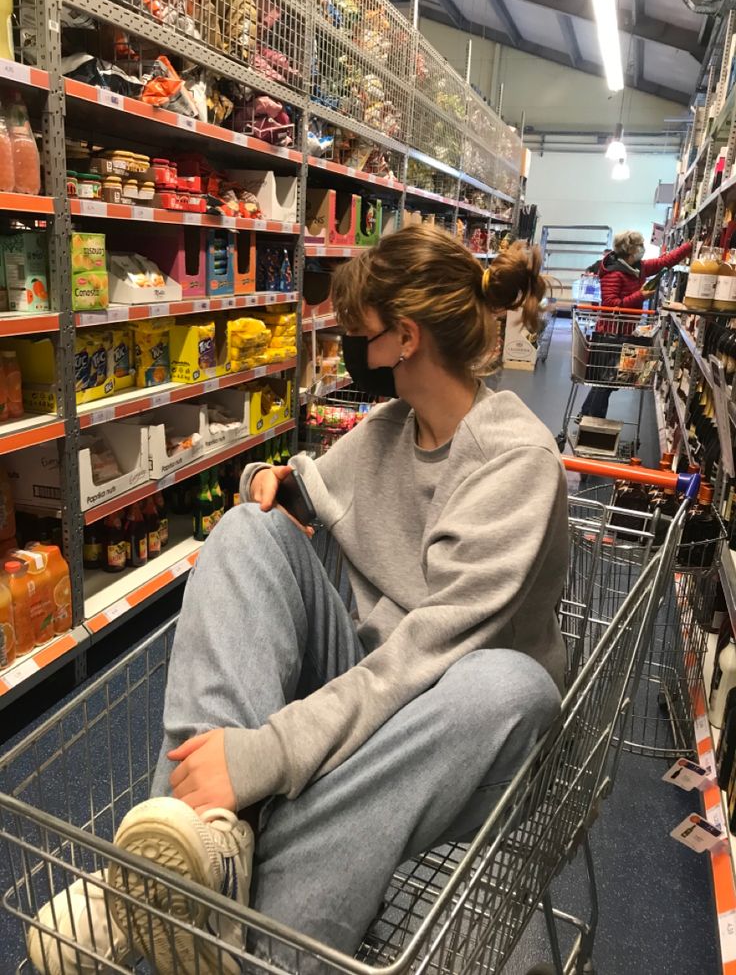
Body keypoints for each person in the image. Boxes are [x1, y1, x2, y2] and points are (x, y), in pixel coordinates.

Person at [28, 226, 569, 975]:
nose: (351, 353)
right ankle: (200, 835)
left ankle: (225, 928)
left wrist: (266, 754)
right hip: (373, 690)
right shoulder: (391, 428)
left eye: (358, 337)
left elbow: (418, 664)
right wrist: (271, 482)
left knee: (509, 684)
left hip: (454, 728)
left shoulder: (515, 463)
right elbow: (308, 481)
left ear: (405, 339)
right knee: (248, 531)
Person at [579, 230, 692, 420]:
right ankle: (594, 422)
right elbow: (609, 305)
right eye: (640, 246)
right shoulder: (614, 272)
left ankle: (587, 415)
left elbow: (663, 262)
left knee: (605, 381)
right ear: (630, 250)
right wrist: (641, 295)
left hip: (624, 332)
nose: (643, 249)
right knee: (608, 382)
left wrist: (688, 247)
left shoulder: (637, 267)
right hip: (611, 333)